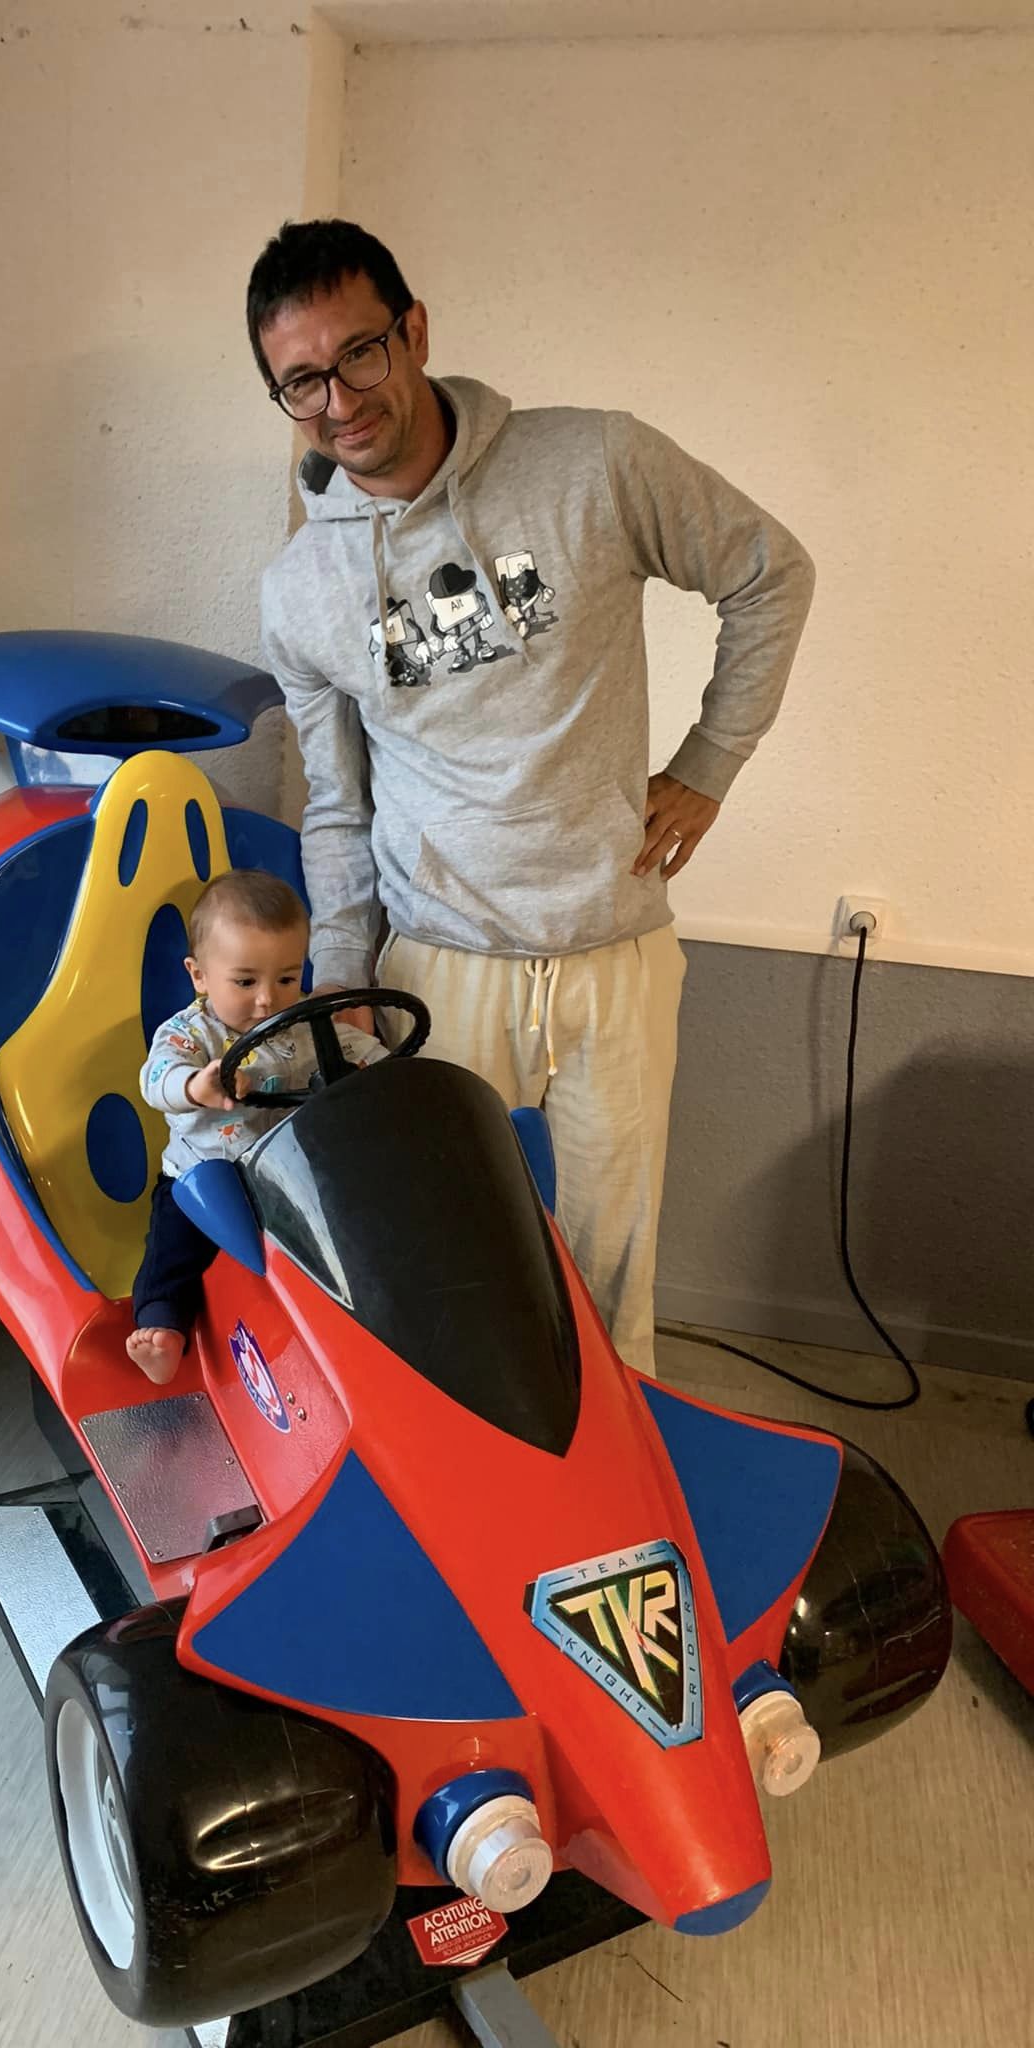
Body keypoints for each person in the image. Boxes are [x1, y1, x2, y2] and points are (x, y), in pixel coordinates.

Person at [247, 219, 816, 1376]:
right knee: (449, 1281)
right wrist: (344, 977)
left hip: (611, 950)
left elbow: (769, 572)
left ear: (414, 331)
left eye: (359, 352)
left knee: (612, 1284)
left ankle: (623, 1476)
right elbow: (338, 805)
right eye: (301, 379)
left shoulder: (595, 462)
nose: (339, 400)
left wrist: (709, 764)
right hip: (435, 969)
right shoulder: (300, 587)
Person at [127, 868, 383, 1382]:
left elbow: (365, 1051)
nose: (268, 999)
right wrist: (196, 1086)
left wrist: (381, 1071)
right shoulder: (189, 1033)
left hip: (294, 1174)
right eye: (246, 982)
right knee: (174, 1247)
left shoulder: (308, 1021)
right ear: (199, 975)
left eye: (286, 978)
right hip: (205, 1174)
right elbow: (155, 1079)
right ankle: (162, 1326)